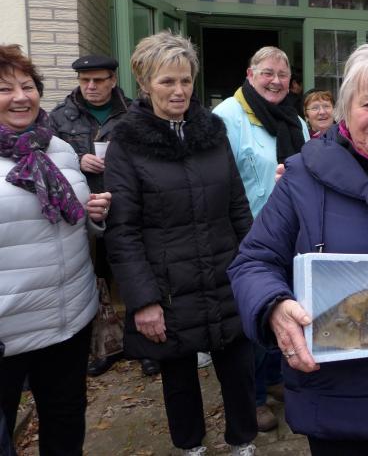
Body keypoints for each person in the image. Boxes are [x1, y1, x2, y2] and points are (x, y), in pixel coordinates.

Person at [228, 44, 368, 455]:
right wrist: (274, 306)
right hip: (332, 394)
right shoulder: (302, 178)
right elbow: (253, 261)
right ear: (345, 109)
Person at [103, 32, 257, 456]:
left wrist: (253, 272)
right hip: (168, 287)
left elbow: (238, 207)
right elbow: (123, 230)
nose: (179, 91)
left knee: (239, 370)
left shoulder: (213, 133)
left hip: (225, 276)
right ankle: (190, 447)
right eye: (167, 81)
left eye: (186, 80)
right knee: (179, 379)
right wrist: (143, 301)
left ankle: (243, 442)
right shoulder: (127, 144)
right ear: (144, 83)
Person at [0, 43, 111, 455]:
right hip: (8, 328)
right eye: (4, 89)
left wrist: (95, 215)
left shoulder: (59, 149)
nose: (20, 97)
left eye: (27, 86)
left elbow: (71, 220)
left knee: (65, 425)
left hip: (67, 319)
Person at [213, 46, 309, 432]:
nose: (275, 81)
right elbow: (218, 182)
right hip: (246, 236)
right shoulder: (227, 117)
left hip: (289, 233)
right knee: (252, 314)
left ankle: (273, 378)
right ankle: (251, 398)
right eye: (267, 73)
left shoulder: (294, 119)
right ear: (250, 75)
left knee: (282, 305)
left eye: (282, 75)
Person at [49, 54, 160, 378]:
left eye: (98, 80)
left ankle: (143, 347)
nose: (91, 86)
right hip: (84, 210)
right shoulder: (60, 116)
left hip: (128, 205)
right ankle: (106, 347)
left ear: (113, 80)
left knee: (133, 275)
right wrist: (77, 158)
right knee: (95, 278)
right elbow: (45, 161)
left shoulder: (134, 112)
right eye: (85, 81)